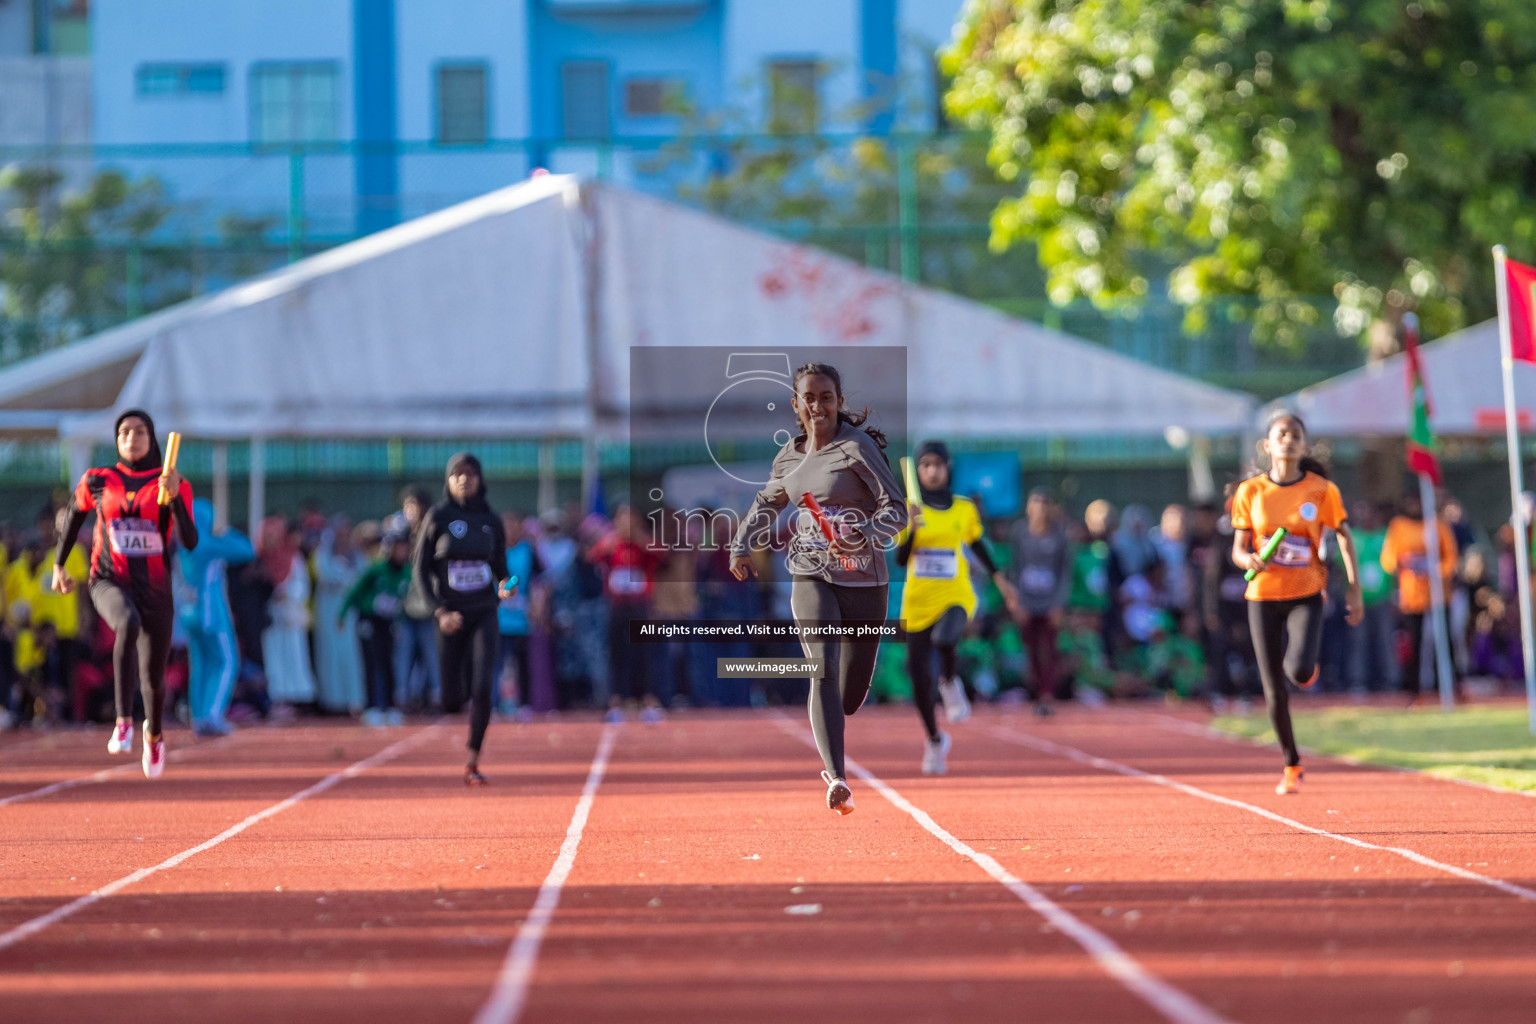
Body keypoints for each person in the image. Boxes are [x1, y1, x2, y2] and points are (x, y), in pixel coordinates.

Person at [729, 362, 907, 815]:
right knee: (820, 668)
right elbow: (765, 503)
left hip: (865, 580)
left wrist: (861, 530)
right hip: (810, 572)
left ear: (838, 402)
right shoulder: (788, 456)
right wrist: (741, 546)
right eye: (808, 397)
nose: (817, 405)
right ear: (795, 405)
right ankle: (838, 776)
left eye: (826, 396)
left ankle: (837, 741)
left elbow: (898, 512)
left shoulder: (858, 447)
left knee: (848, 696)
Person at [53, 409, 198, 778]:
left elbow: (190, 542)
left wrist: (176, 497)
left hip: (155, 590)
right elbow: (72, 517)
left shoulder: (170, 482)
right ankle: (123, 721)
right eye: (124, 432)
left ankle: (154, 734)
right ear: (116, 441)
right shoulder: (99, 479)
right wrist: (59, 565)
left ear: (152, 438)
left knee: (154, 680)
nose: (132, 438)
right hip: (107, 581)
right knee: (126, 623)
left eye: (140, 432)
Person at [1230, 411, 1363, 795]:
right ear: (1268, 445)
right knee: (1274, 688)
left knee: (1301, 671)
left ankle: (1307, 670)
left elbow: (1344, 537)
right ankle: (1291, 763)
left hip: (1306, 592)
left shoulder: (1322, 490)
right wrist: (1249, 560)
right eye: (1281, 434)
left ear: (1304, 445)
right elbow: (1238, 550)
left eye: (1295, 434)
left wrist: (1354, 589)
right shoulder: (1250, 492)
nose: (1288, 440)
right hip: (1262, 595)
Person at [896, 440, 1017, 774]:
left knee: (945, 639)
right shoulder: (909, 509)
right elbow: (900, 560)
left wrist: (1000, 579)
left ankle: (949, 682)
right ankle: (934, 739)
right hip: (918, 600)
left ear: (949, 467)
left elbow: (976, 544)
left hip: (955, 594)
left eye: (938, 464)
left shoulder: (964, 509)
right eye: (925, 466)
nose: (932, 471)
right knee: (919, 678)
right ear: (918, 471)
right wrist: (911, 531)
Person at [411, 453, 515, 785]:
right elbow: (420, 570)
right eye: (457, 474)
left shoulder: (490, 519)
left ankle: (472, 760)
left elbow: (501, 568)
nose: (464, 479)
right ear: (448, 479)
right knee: (452, 699)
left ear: (480, 479)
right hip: (450, 617)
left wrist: (505, 586)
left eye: (470, 474)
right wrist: (439, 612)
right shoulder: (438, 517)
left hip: (484, 611)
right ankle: (457, 698)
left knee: (484, 686)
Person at [177, 498, 255, 737]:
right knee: (226, 661)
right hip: (211, 613)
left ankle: (200, 717)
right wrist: (227, 532)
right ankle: (213, 714)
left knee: (200, 664)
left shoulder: (184, 543)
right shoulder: (207, 543)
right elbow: (247, 550)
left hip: (189, 612)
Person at [1381, 493, 1457, 703]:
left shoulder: (1437, 525)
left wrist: (1435, 569)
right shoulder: (1398, 526)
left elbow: (1451, 557)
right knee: (1414, 644)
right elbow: (1387, 559)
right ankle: (1414, 691)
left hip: (1439, 595)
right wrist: (1404, 562)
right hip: (1412, 597)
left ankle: (1451, 687)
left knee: (1446, 642)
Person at [1009, 486, 1070, 715]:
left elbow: (1065, 571)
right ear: (1028, 507)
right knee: (1031, 648)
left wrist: (1059, 603)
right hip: (1027, 600)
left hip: (1050, 600)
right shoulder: (1020, 533)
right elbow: (1015, 567)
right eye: (1035, 502)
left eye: (1044, 503)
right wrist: (1017, 601)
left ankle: (1048, 694)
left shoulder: (1059, 534)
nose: (1040, 508)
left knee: (1050, 648)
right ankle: (1035, 693)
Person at [341, 530, 413, 727]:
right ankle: (371, 707)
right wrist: (342, 615)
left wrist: (398, 621)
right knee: (372, 662)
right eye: (398, 547)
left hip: (388, 622)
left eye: (405, 548)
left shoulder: (407, 572)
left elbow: (401, 600)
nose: (402, 551)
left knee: (389, 662)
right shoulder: (376, 569)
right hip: (369, 620)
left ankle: (389, 707)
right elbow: (355, 592)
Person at [391, 486, 442, 712]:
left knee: (432, 655)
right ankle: (403, 697)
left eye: (413, 505)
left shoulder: (434, 532)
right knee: (403, 655)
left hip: (429, 606)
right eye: (406, 506)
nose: (409, 511)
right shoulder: (400, 533)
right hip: (404, 607)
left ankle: (437, 697)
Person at [259, 518, 316, 711]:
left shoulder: (295, 557)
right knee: (275, 657)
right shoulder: (264, 559)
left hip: (291, 615)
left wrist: (289, 593)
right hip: (273, 618)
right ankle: (277, 698)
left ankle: (296, 698)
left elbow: (303, 585)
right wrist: (273, 592)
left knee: (294, 656)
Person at [313, 515, 366, 715]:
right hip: (328, 614)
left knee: (350, 657)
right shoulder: (323, 554)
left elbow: (362, 580)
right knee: (329, 656)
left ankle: (353, 700)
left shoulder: (358, 556)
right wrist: (342, 573)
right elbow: (326, 575)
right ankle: (332, 702)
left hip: (350, 615)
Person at [1345, 500, 1398, 694]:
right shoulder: (1352, 537)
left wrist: (1395, 594)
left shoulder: (1387, 536)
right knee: (1358, 641)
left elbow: (1395, 567)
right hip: (1359, 599)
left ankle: (1392, 681)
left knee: (1386, 639)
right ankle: (1357, 681)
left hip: (1383, 598)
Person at [496, 511, 546, 716]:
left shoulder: (529, 551)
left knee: (522, 664)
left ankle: (524, 704)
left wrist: (538, 607)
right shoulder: (494, 551)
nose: (510, 530)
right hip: (497, 619)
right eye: (506, 526)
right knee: (496, 665)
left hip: (521, 620)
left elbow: (539, 582)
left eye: (514, 525)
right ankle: (495, 704)